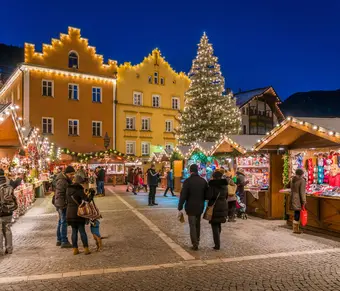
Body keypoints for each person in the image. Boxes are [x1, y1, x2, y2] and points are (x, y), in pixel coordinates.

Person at [178, 164, 208, 251]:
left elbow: (183, 195)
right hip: (200, 206)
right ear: (197, 170)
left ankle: (195, 243)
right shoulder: (203, 181)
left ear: (190, 171)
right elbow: (207, 195)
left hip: (190, 207)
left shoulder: (187, 181)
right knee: (197, 223)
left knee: (192, 225)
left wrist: (180, 206)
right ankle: (197, 240)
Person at [66, 175, 93, 255]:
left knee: (74, 231)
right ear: (80, 182)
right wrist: (91, 195)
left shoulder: (68, 189)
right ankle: (86, 249)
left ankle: (75, 249)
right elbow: (87, 200)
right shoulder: (79, 190)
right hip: (78, 213)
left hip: (69, 213)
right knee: (82, 231)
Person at [53, 166, 75, 248]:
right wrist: (64, 204)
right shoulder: (62, 181)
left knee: (60, 221)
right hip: (62, 204)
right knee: (64, 222)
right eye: (71, 174)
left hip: (59, 203)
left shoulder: (63, 180)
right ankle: (64, 241)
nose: (72, 176)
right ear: (67, 173)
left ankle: (59, 240)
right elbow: (61, 194)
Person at [207, 170, 228, 250]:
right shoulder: (225, 185)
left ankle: (217, 244)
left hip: (215, 206)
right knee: (219, 224)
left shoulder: (212, 186)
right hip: (223, 205)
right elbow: (226, 196)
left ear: (214, 177)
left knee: (214, 224)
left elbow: (209, 196)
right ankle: (217, 241)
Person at [0, 169, 17, 255]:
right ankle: (9, 249)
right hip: (8, 211)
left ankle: (0, 250)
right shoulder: (9, 185)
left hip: (0, 211)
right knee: (7, 229)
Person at [287, 169, 307, 234]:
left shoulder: (293, 179)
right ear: (302, 174)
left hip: (293, 197)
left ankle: (295, 228)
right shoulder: (302, 180)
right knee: (297, 213)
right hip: (298, 199)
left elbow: (287, 186)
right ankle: (295, 229)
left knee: (296, 212)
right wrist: (304, 201)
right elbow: (302, 192)